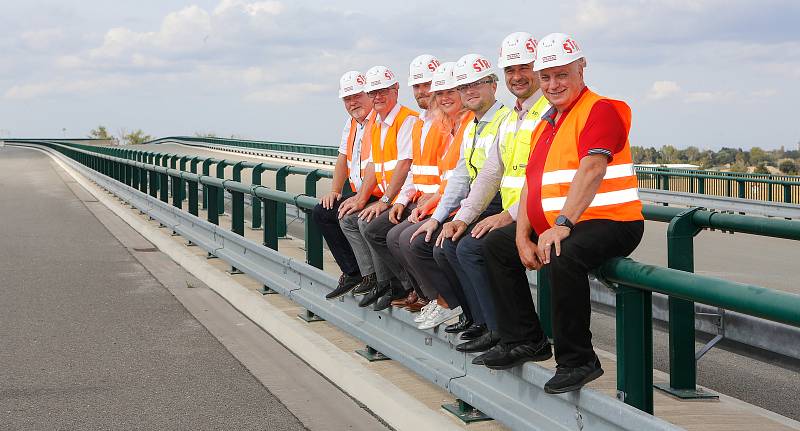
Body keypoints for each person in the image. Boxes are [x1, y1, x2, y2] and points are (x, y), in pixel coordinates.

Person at [480, 33, 644, 395]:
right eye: (547, 77)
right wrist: (522, 235)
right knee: (496, 246)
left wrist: (561, 224)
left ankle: (578, 360)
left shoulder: (601, 109)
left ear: (581, 70)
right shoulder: (549, 122)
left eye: (562, 75)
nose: (553, 85)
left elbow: (593, 168)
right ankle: (525, 339)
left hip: (612, 220)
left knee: (561, 254)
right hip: (562, 223)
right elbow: (530, 186)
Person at [435, 32, 551, 357]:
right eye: (510, 70)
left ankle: (509, 333)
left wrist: (509, 214)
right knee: (457, 242)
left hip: (537, 210)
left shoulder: (546, 112)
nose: (516, 76)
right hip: (515, 209)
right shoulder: (515, 116)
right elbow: (490, 173)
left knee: (478, 247)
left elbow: (540, 176)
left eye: (523, 68)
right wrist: (461, 218)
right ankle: (493, 327)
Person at [410, 53, 511, 331]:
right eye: (464, 86)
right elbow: (461, 177)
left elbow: (491, 176)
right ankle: (474, 317)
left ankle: (492, 325)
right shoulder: (474, 126)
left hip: (501, 204)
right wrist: (438, 217)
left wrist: (459, 217)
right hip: (479, 203)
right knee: (441, 245)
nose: (470, 91)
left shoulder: (505, 119)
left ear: (493, 85)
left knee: (461, 248)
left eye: (477, 84)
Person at [385, 61, 474, 325]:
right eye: (440, 93)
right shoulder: (447, 124)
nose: (442, 97)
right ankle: (432, 297)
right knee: (394, 236)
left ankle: (448, 301)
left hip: (459, 205)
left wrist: (433, 201)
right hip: (436, 201)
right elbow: (442, 173)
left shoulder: (467, 123)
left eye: (450, 91)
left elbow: (463, 177)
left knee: (413, 241)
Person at [346, 65, 420, 309]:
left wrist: (385, 201)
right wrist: (360, 198)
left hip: (408, 197)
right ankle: (376, 280)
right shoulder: (376, 124)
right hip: (391, 197)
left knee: (369, 224)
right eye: (373, 93)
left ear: (396, 90)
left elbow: (404, 164)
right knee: (349, 218)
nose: (378, 97)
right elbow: (373, 167)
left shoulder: (406, 119)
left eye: (383, 91)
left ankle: (399, 285)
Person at [315, 71, 379, 300]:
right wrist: (335, 191)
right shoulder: (352, 122)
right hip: (360, 191)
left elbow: (376, 163)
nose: (352, 102)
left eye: (357, 96)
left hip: (379, 193)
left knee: (352, 218)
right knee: (323, 212)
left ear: (370, 95)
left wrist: (360, 196)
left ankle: (373, 276)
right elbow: (343, 157)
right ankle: (353, 272)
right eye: (347, 98)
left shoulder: (380, 120)